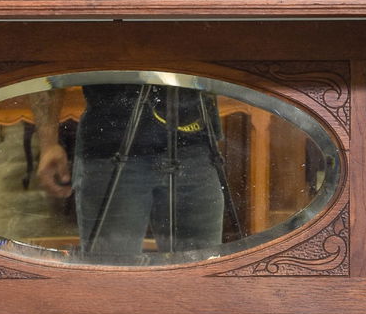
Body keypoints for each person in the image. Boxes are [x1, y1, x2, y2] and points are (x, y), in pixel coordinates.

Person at [33, 80, 232, 261]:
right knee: (111, 274)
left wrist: (49, 142)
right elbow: (50, 54)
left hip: (193, 144)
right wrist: (48, 141)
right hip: (113, 143)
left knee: (200, 275)